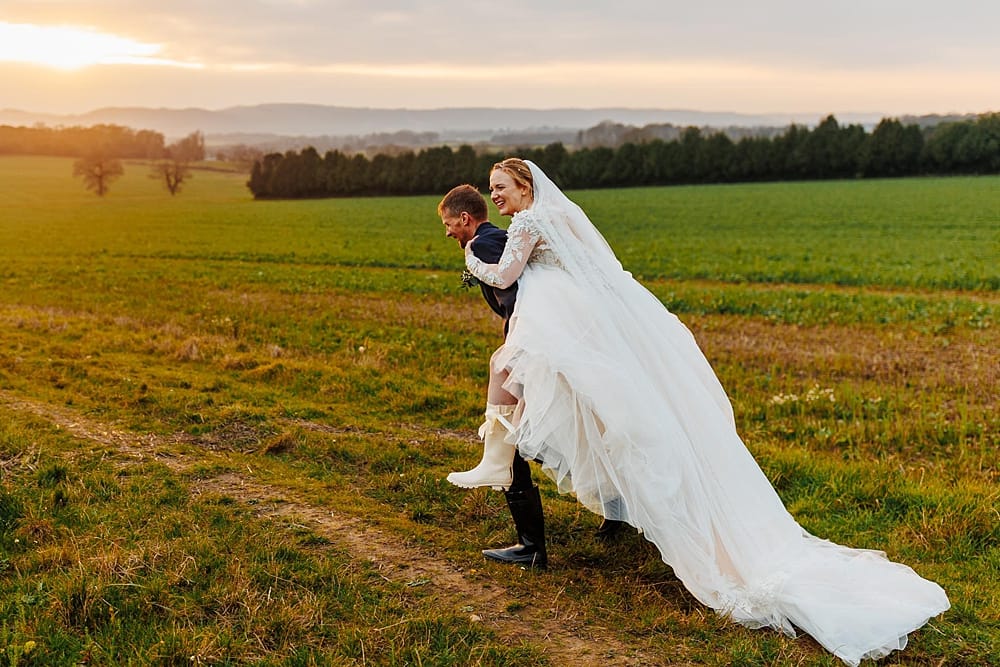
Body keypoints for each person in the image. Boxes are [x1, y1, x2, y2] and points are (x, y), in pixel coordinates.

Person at [452, 158, 949, 666]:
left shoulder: (532, 221)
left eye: (502, 188)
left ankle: (507, 466)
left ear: (525, 186)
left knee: (516, 371)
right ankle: (563, 488)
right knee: (572, 398)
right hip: (588, 317)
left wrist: (472, 258)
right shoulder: (561, 218)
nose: (496, 197)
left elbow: (506, 272)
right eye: (492, 190)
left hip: (565, 320)